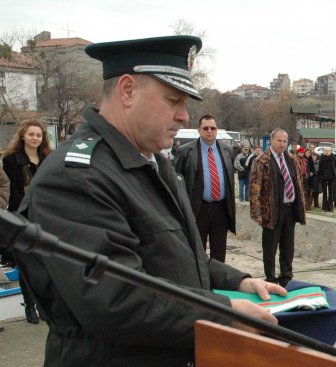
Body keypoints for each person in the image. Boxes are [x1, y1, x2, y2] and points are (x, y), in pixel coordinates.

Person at [13, 36, 285, 366]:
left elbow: (178, 257)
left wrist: (238, 281)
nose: (185, 116)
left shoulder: (151, 163)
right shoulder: (76, 177)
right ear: (127, 90)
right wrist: (223, 313)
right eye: (174, 101)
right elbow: (114, 300)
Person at [1, 119, 52, 324]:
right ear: (23, 135)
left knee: (47, 264)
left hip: (46, 216)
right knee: (27, 265)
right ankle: (29, 305)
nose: (35, 138)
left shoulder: (49, 157)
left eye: (38, 135)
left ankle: (45, 305)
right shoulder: (12, 160)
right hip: (22, 217)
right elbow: (12, 190)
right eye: (31, 134)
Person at [174, 114, 236, 263]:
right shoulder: (185, 152)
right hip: (198, 209)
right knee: (197, 251)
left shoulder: (227, 150)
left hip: (221, 209)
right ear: (199, 130)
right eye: (206, 128)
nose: (209, 131)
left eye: (213, 128)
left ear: (217, 130)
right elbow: (176, 180)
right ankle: (200, 283)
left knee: (219, 252)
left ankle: (218, 282)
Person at [250, 128, 306, 286]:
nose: (282, 144)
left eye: (285, 141)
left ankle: (286, 276)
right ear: (271, 141)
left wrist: (301, 206)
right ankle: (270, 278)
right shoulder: (261, 161)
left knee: (288, 246)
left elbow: (298, 183)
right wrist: (257, 213)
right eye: (279, 141)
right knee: (270, 247)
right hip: (271, 210)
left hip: (290, 209)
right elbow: (255, 188)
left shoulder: (291, 158)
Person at [317, 147, 336, 212]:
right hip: (323, 177)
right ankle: (325, 207)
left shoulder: (333, 157)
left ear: (331, 151)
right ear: (324, 152)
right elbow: (320, 168)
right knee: (325, 193)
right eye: (325, 150)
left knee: (330, 192)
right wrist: (319, 176)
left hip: (331, 177)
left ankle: (330, 207)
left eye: (328, 150)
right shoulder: (322, 158)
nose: (327, 151)